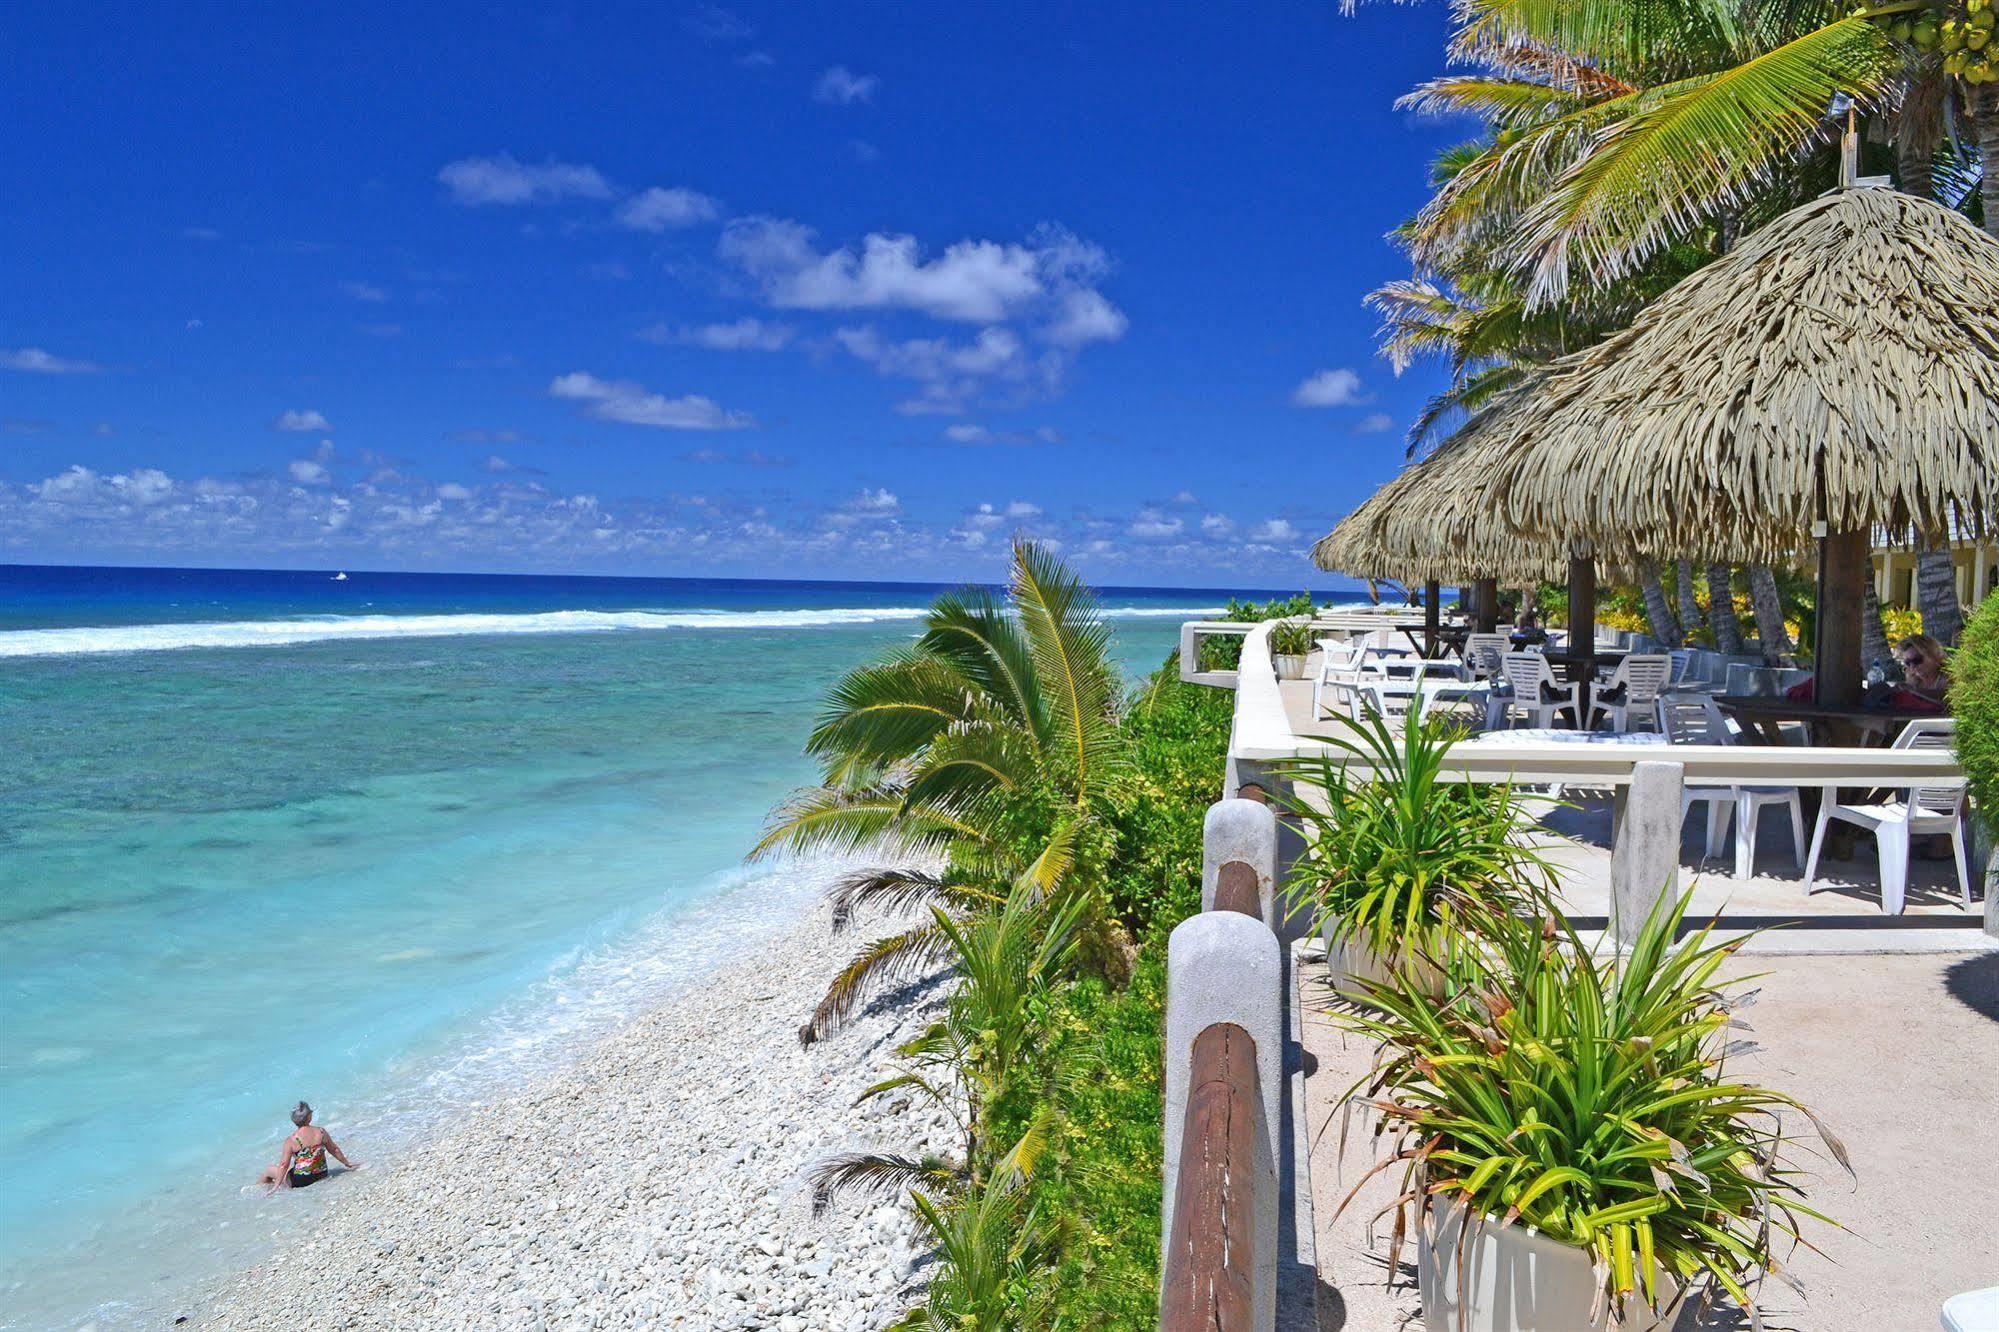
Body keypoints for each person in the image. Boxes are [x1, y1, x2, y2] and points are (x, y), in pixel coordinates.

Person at [257, 1101, 355, 1190]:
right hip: (321, 1174)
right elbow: (334, 1149)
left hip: (300, 1181)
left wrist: (276, 1186)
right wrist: (347, 1163)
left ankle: (262, 1194)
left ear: (294, 1120)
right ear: (309, 1116)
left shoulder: (291, 1140)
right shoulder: (320, 1132)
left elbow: (284, 1165)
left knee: (268, 1171)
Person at [1891, 632, 1950, 708]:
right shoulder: (1914, 681)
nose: (1912, 667)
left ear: (1933, 656)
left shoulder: (1947, 676)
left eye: (1917, 660)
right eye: (1908, 663)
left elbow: (1946, 696)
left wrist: (1914, 692)